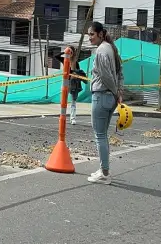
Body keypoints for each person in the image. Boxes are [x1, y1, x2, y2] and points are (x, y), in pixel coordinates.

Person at [86, 21, 124, 185]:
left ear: (100, 34)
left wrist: (115, 91)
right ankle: (103, 169)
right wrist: (118, 92)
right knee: (103, 135)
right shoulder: (111, 48)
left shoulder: (101, 51)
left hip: (102, 95)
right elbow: (119, 72)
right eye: (88, 35)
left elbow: (106, 76)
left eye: (92, 35)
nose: (89, 38)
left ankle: (105, 173)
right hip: (111, 98)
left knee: (99, 135)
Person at [53, 48, 87, 125]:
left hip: (73, 83)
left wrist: (75, 75)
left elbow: (78, 73)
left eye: (71, 52)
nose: (69, 54)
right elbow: (56, 56)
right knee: (63, 101)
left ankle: (73, 118)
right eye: (68, 52)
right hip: (65, 82)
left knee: (73, 102)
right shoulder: (64, 60)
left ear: (73, 53)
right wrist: (64, 52)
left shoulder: (76, 63)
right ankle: (62, 117)